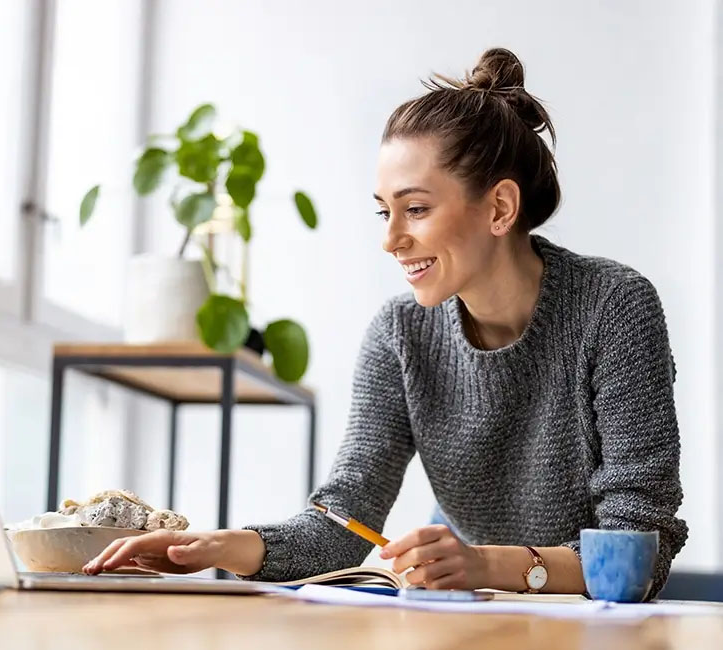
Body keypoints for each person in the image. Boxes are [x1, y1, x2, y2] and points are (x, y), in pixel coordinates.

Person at [83, 48, 687, 598]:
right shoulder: (400, 333)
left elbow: (638, 553)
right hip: (469, 612)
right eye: (384, 212)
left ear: (500, 207)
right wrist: (220, 548)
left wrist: (484, 565)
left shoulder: (614, 306)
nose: (392, 240)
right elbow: (346, 521)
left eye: (416, 209)